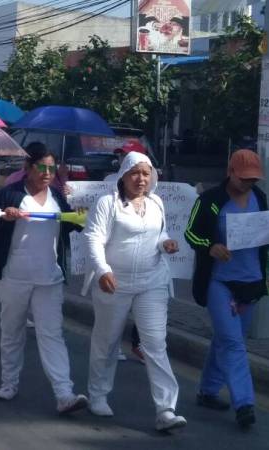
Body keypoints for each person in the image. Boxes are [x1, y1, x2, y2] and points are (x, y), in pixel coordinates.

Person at [0, 143, 88, 416]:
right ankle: (9, 383)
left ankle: (64, 394)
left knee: (51, 334)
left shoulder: (58, 198)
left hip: (49, 278)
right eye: (41, 167)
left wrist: (80, 214)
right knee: (12, 330)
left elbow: (72, 224)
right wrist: (5, 215)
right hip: (14, 277)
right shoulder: (10, 194)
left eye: (51, 168)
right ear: (28, 168)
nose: (47, 173)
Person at [84, 151, 186, 431]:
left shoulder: (156, 203)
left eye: (146, 173)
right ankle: (98, 395)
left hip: (151, 282)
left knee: (155, 344)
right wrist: (103, 270)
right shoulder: (108, 203)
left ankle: (166, 409)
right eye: (135, 173)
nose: (141, 179)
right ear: (124, 175)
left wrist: (166, 243)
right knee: (107, 341)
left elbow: (159, 233)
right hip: (114, 282)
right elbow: (93, 237)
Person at [185, 149, 266, 429]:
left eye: (253, 179)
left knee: (224, 339)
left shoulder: (261, 199)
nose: (248, 184)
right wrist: (211, 246)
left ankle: (208, 391)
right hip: (219, 282)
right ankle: (244, 403)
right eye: (244, 178)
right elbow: (190, 232)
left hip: (251, 282)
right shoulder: (210, 201)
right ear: (230, 172)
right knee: (233, 343)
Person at [104, 143, 148, 364]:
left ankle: (139, 344)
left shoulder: (153, 194)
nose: (140, 178)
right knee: (114, 315)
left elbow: (159, 227)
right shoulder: (109, 184)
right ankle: (112, 347)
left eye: (127, 155)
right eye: (121, 156)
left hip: (145, 274)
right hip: (116, 268)